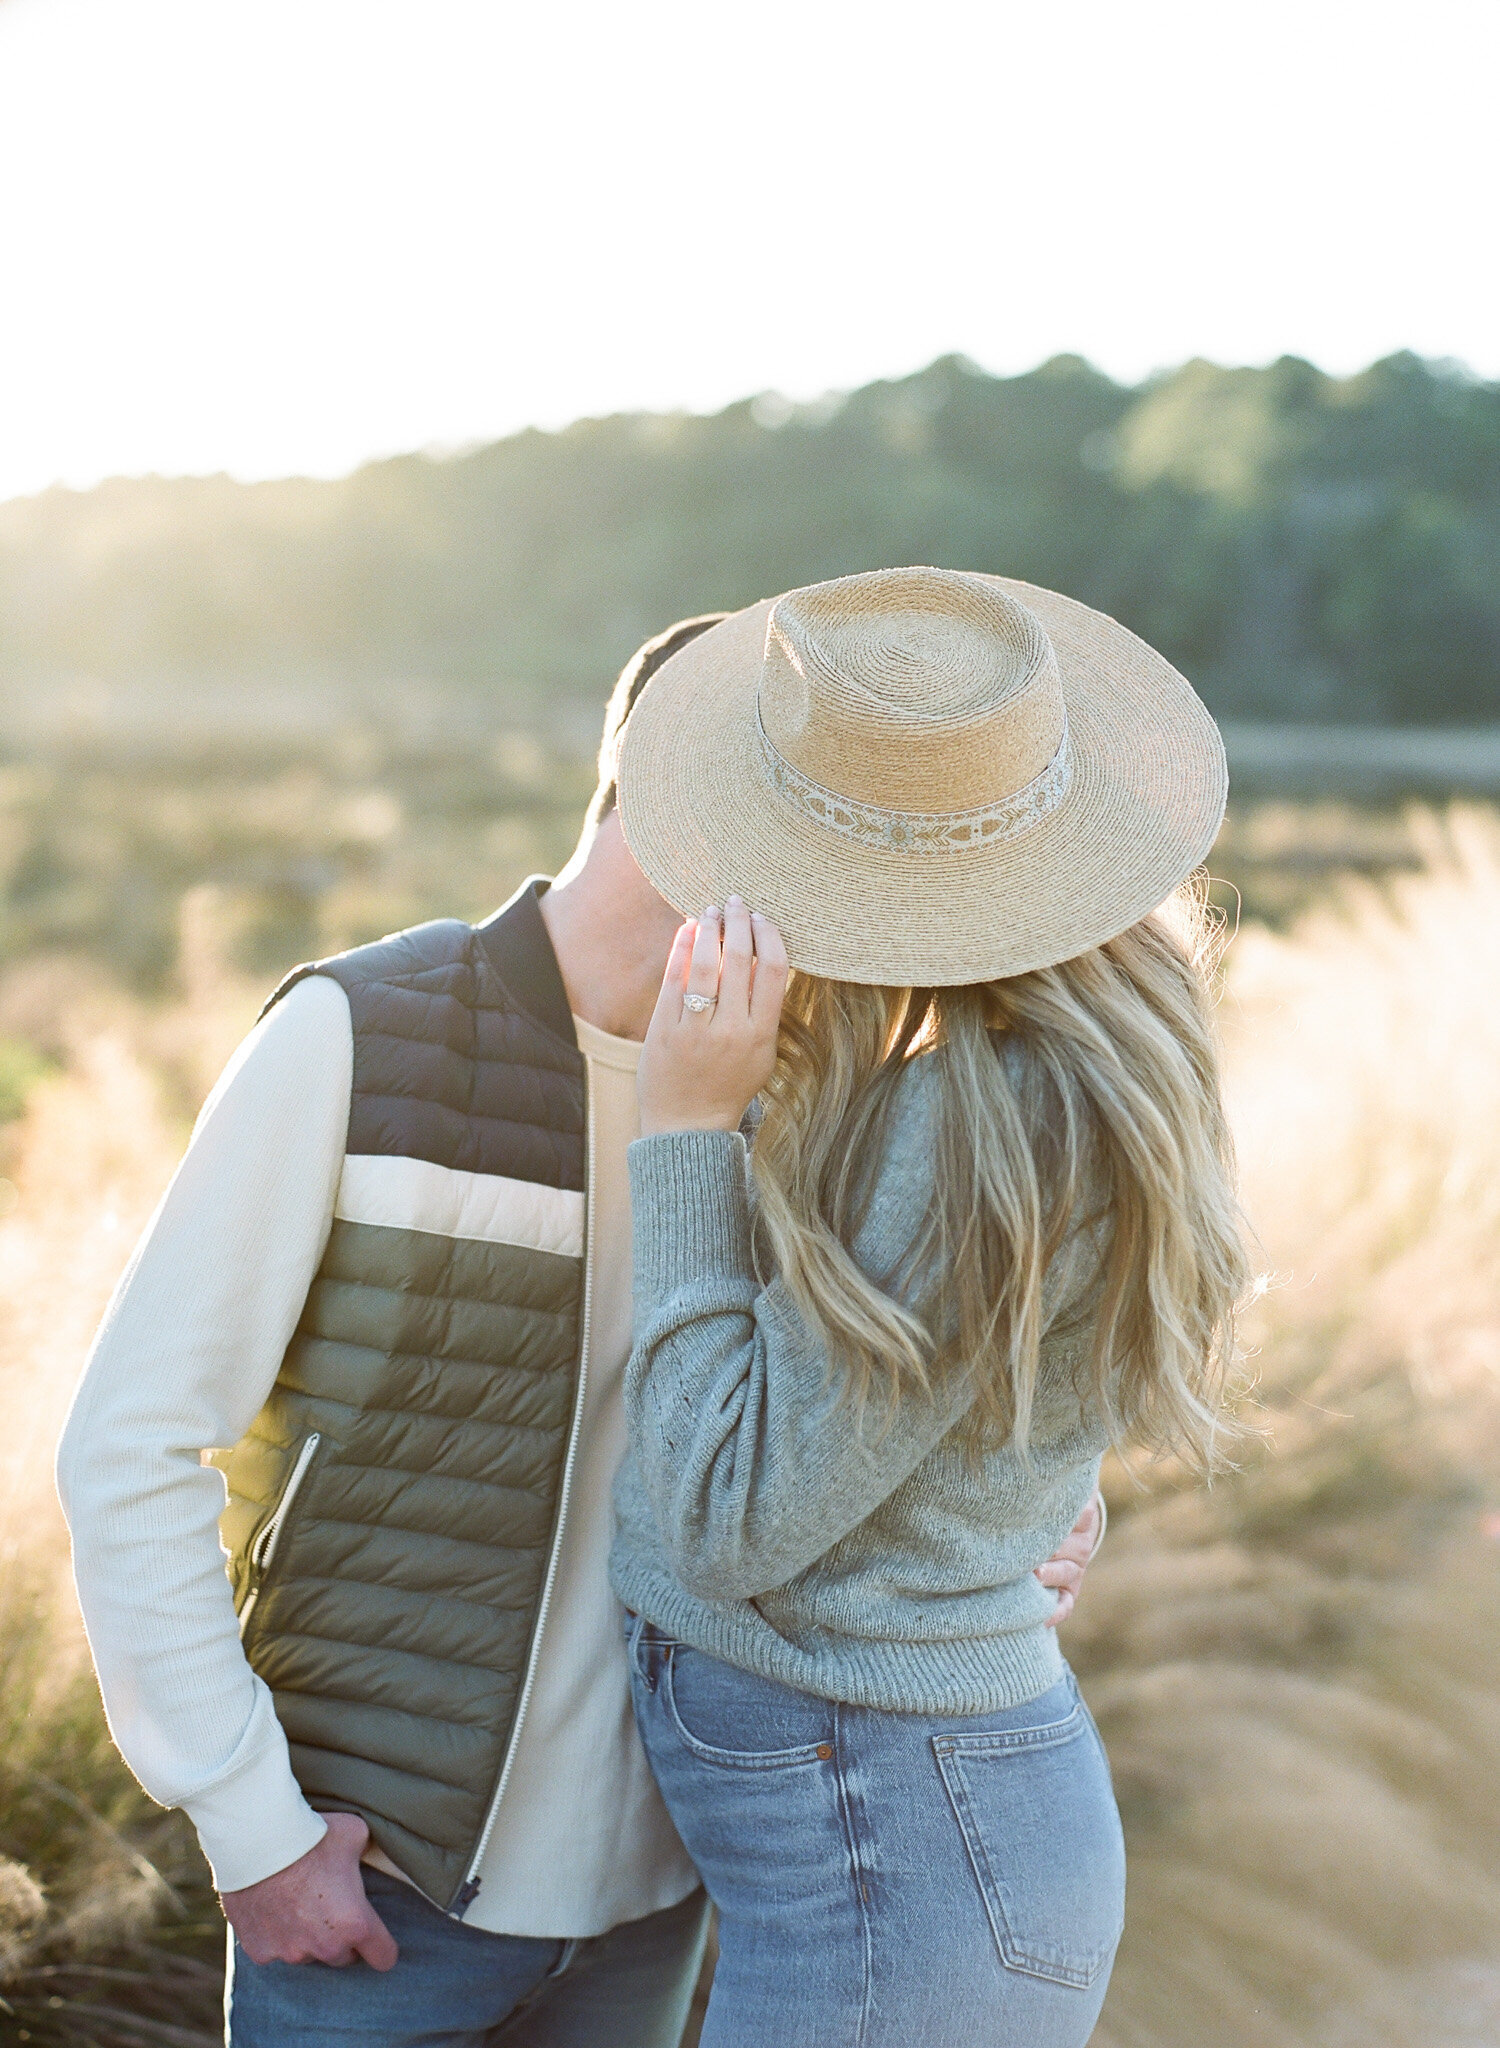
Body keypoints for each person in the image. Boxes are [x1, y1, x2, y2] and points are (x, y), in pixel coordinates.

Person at [54, 604, 1104, 2048]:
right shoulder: (364, 1037)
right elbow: (127, 1448)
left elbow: (867, 1416)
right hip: (376, 1899)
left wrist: (1039, 1505)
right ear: (670, 788)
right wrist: (251, 1828)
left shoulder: (808, 1111)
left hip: (663, 1901)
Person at [606, 566, 1250, 2048]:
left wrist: (687, 1138)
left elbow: (730, 1516)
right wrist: (1023, 1515)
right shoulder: (1071, 1060)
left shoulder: (972, 1116)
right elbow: (976, 1398)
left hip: (899, 1833)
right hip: (927, 1827)